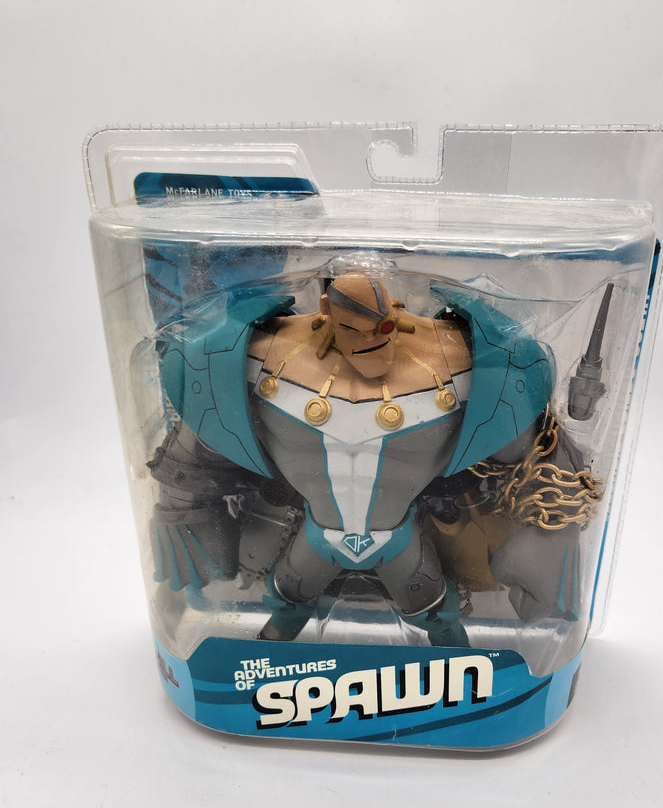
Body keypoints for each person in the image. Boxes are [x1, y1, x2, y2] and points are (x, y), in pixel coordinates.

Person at [150, 267, 596, 646]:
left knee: (439, 619)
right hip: (318, 538)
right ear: (327, 313)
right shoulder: (258, 358)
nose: (369, 337)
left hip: (396, 540)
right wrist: (182, 509)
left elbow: (537, 448)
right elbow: (202, 429)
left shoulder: (460, 361)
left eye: (379, 327)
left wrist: (554, 533)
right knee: (287, 606)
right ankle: (262, 658)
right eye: (355, 326)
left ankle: (466, 673)